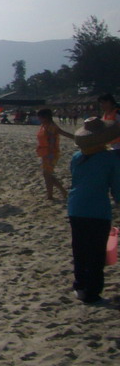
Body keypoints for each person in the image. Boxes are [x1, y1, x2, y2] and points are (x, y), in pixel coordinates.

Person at [67, 118, 120, 305]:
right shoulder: (110, 159)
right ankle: (92, 292)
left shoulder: (76, 157)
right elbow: (117, 188)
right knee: (96, 252)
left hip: (75, 206)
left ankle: (80, 286)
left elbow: (76, 180)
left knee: (80, 248)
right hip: (97, 209)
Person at [36, 108, 75, 201]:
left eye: (40, 117)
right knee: (47, 174)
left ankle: (51, 195)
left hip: (51, 153)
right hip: (44, 152)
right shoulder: (44, 125)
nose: (38, 118)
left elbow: (63, 133)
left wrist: (78, 138)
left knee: (47, 174)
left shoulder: (51, 126)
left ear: (44, 117)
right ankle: (61, 191)